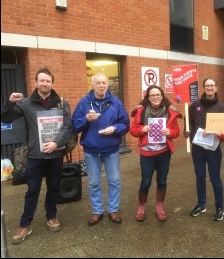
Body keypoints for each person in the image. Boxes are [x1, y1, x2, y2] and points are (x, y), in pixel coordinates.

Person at [1, 67, 74, 244]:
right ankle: (25, 224)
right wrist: (9, 103)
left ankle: (51, 216)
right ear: (36, 82)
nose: (44, 83)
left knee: (54, 187)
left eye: (48, 81)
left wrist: (57, 143)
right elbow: (5, 119)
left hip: (55, 155)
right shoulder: (25, 104)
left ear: (51, 83)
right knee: (32, 190)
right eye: (41, 80)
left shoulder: (61, 103)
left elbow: (68, 127)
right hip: (35, 156)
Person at [72, 72, 130, 226]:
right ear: (92, 85)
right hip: (91, 150)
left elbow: (125, 124)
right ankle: (97, 211)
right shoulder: (84, 103)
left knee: (115, 181)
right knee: (93, 183)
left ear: (107, 85)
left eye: (104, 82)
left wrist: (115, 128)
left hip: (111, 149)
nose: (101, 85)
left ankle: (113, 209)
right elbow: (75, 125)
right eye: (98, 83)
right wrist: (86, 119)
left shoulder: (115, 103)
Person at [130, 85, 182, 222]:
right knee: (146, 181)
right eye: (152, 95)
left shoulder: (170, 111)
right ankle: (141, 207)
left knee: (162, 180)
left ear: (162, 96)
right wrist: (142, 129)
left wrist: (169, 132)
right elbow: (133, 130)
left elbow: (176, 131)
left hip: (164, 152)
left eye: (158, 94)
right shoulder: (141, 111)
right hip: (147, 153)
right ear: (148, 97)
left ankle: (160, 206)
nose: (155, 97)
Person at [184, 77, 224, 221]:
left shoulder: (222, 107)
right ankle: (201, 204)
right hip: (197, 147)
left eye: (212, 86)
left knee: (215, 178)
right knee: (200, 177)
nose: (209, 88)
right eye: (207, 86)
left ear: (216, 88)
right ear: (204, 88)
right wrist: (187, 130)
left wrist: (221, 133)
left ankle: (219, 207)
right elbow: (189, 122)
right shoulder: (195, 105)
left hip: (213, 148)